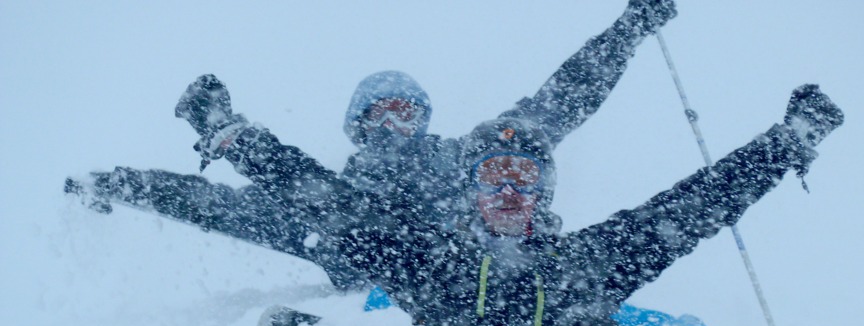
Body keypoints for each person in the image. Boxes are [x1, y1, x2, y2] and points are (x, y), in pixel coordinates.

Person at [173, 71, 844, 326]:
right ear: (474, 193)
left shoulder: (586, 260)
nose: (509, 191)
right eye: (494, 178)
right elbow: (331, 202)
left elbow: (696, 204)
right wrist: (235, 136)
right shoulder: (435, 260)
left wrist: (787, 143)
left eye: (524, 179)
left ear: (542, 194)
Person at [67, 0, 679, 295]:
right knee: (276, 208)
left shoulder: (461, 155)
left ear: (424, 120)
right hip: (365, 254)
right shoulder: (338, 193)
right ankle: (213, 133)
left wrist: (628, 30)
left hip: (452, 267)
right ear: (357, 127)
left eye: (406, 111)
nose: (394, 122)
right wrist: (120, 184)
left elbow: (558, 101)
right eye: (380, 112)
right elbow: (222, 205)